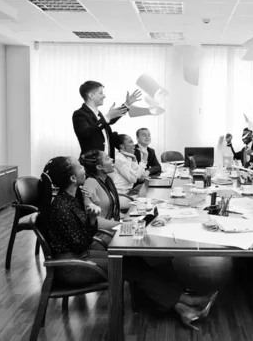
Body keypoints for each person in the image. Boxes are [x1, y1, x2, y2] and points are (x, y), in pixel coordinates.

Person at [37, 156, 218, 329]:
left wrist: (92, 217)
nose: (84, 169)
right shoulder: (62, 207)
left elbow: (82, 237)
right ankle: (188, 301)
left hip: (80, 257)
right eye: (80, 167)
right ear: (72, 177)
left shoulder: (70, 198)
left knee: (134, 259)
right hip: (72, 268)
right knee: (129, 264)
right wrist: (91, 219)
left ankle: (182, 307)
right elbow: (80, 244)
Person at [72, 80, 141, 160]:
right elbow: (87, 133)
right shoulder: (79, 114)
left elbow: (108, 121)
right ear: (91, 95)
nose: (104, 96)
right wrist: (107, 117)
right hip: (92, 162)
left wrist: (126, 104)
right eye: (101, 93)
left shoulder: (98, 113)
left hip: (106, 161)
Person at [80, 149, 122, 225]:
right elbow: (94, 220)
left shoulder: (108, 179)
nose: (112, 159)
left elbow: (113, 208)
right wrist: (121, 225)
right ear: (99, 167)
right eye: (107, 158)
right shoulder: (90, 183)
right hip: (101, 233)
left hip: (112, 225)